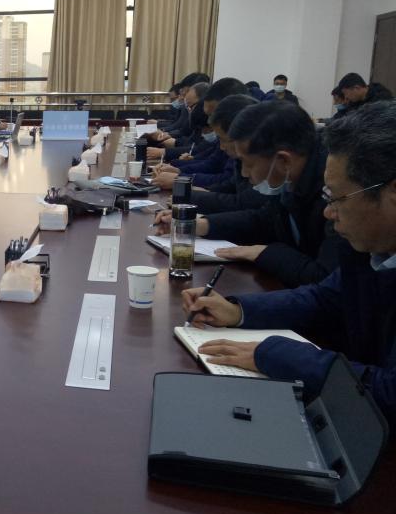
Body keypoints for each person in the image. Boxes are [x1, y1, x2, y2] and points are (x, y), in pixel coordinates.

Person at [182, 101, 396, 425]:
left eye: (338, 198)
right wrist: (239, 311)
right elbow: (325, 296)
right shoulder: (370, 245)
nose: (329, 212)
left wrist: (276, 354)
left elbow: (390, 393)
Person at [154, 100, 341, 288]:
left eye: (248, 164)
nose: (244, 173)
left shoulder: (335, 194)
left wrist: (265, 253)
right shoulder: (292, 179)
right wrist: (199, 225)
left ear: (284, 160)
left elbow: (325, 278)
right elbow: (265, 219)